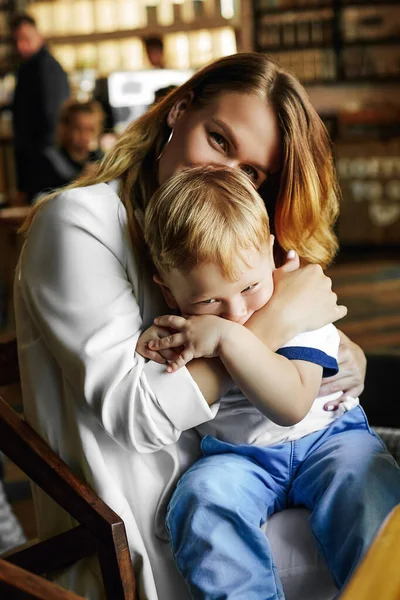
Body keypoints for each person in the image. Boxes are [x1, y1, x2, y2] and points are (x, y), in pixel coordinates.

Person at [15, 54, 370, 599]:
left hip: (254, 499)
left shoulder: (227, 254)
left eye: (251, 174)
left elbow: (320, 365)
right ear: (179, 111)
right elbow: (137, 414)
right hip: (146, 548)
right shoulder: (80, 221)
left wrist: (339, 352)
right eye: (220, 140)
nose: (221, 178)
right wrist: (275, 322)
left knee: (374, 472)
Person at [140, 165, 400, 599]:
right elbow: (154, 387)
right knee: (201, 498)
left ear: (271, 255)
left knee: (368, 488)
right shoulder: (187, 326)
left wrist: (226, 338)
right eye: (208, 301)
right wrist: (153, 344)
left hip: (329, 439)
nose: (238, 311)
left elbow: (292, 404)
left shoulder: (297, 304)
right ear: (169, 293)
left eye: (250, 287)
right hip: (240, 456)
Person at [10, 14, 70, 204]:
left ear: (39, 36)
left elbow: (53, 120)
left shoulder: (46, 68)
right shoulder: (29, 67)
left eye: (26, 39)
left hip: (45, 167)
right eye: (17, 40)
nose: (21, 45)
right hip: (36, 164)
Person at [33, 99, 105, 198]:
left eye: (90, 129)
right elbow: (39, 199)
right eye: (79, 128)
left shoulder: (100, 159)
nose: (85, 135)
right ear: (65, 128)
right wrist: (79, 181)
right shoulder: (48, 161)